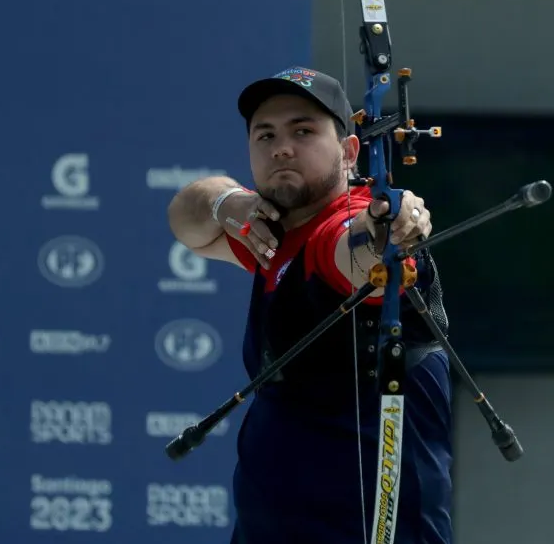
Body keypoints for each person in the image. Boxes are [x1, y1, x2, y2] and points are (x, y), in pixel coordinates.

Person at [166, 66, 454, 544]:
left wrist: (389, 227)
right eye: (266, 135)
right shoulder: (269, 235)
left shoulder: (334, 231)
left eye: (303, 131)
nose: (281, 147)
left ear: (350, 152)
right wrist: (226, 203)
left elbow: (360, 253)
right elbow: (186, 219)